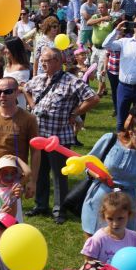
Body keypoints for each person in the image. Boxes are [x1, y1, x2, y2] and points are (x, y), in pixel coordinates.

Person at [25, 49, 99, 224]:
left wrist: (75, 112)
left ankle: (60, 210)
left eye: (47, 60)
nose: (43, 63)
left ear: (58, 61)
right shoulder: (39, 79)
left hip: (59, 137)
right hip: (39, 136)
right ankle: (41, 205)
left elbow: (93, 98)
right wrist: (32, 105)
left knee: (59, 175)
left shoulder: (71, 81)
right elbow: (25, 88)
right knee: (40, 171)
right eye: (41, 60)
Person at [81, 107, 136, 240]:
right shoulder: (110, 140)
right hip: (99, 201)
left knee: (121, 244)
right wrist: (96, 174)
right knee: (93, 242)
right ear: (131, 133)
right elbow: (88, 163)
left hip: (125, 207)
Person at [0, 77, 40, 199]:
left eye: (7, 92)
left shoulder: (29, 119)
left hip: (14, 179)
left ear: (16, 92)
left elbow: (35, 152)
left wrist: (33, 181)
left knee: (10, 210)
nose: (2, 95)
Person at [102, 16, 136, 130]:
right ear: (132, 25)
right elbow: (106, 45)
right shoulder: (124, 42)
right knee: (121, 121)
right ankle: (120, 141)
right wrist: (117, 30)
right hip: (124, 87)